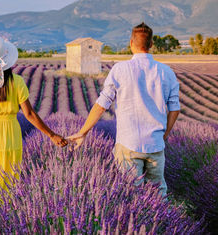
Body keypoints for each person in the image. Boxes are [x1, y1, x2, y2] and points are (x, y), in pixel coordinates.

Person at [68, 23, 180, 196]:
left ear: (131, 43)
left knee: (130, 195)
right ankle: (161, 224)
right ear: (151, 45)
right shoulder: (166, 72)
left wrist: (83, 132)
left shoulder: (120, 69)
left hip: (128, 143)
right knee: (158, 197)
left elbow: (101, 104)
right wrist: (164, 135)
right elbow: (175, 109)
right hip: (156, 144)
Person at [0, 35, 68, 208]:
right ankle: (6, 221)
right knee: (7, 180)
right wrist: (52, 135)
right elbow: (29, 114)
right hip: (9, 135)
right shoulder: (17, 82)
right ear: (6, 59)